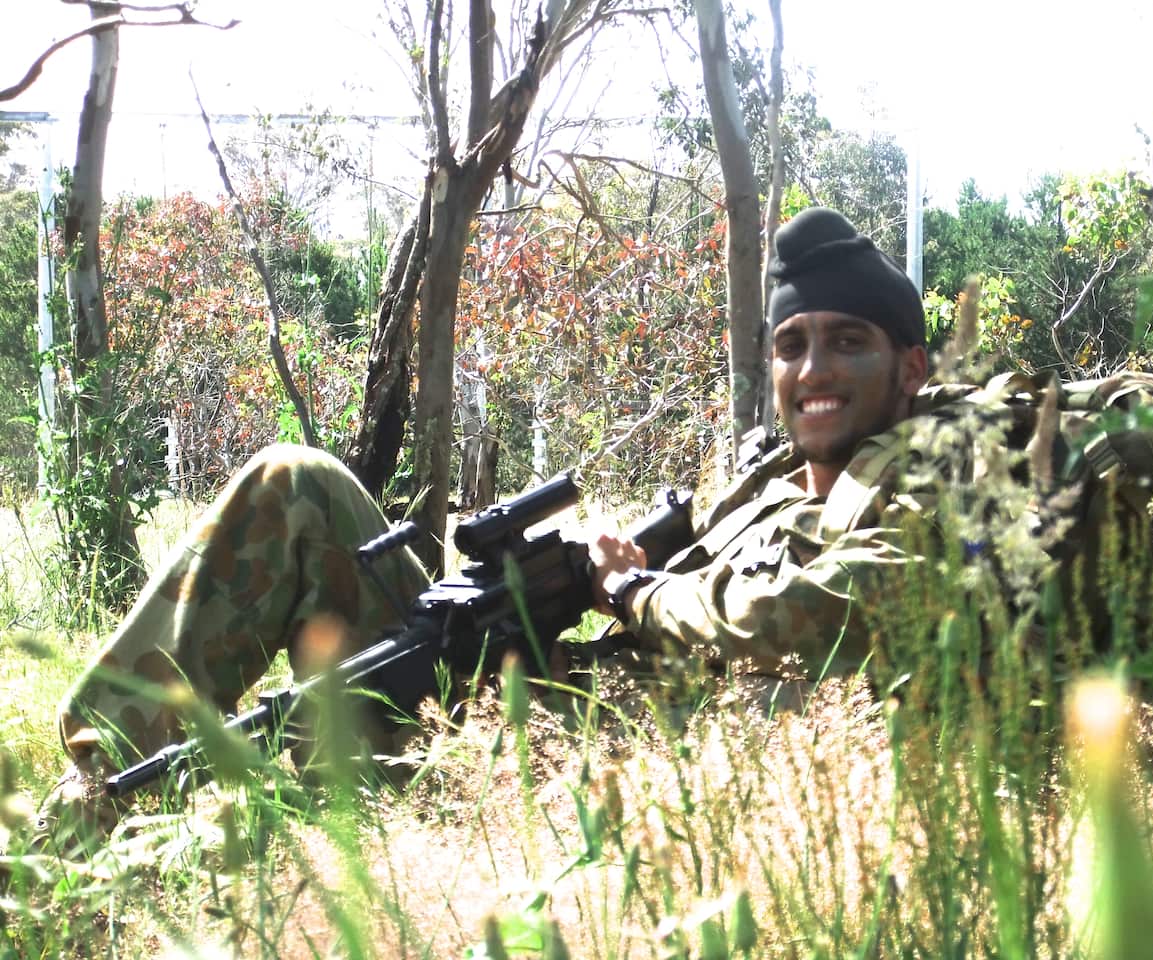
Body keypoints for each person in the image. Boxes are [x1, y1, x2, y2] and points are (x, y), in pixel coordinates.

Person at [37, 206, 939, 850]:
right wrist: (565, 575)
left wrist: (628, 589)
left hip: (589, 749)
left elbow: (808, 612)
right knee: (295, 481)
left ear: (910, 365)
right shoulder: (770, 472)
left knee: (295, 751)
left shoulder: (937, 480)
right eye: (792, 344)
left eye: (847, 341)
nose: (813, 368)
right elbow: (672, 556)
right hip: (523, 678)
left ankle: (163, 822)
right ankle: (93, 782)